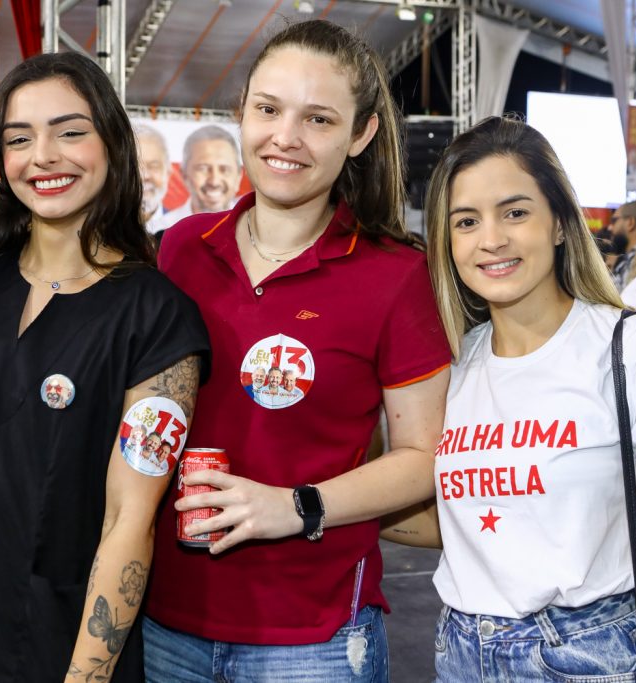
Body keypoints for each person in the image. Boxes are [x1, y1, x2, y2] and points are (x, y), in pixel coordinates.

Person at [0, 52, 209, 682]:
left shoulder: (157, 318)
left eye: (70, 131)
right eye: (19, 138)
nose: (44, 155)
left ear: (112, 141)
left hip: (56, 643)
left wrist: (86, 675)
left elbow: (128, 522)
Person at [146, 20, 451, 682]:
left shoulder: (396, 273)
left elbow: (424, 456)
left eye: (318, 118)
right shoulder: (179, 249)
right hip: (165, 619)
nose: (286, 137)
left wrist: (296, 505)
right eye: (268, 109)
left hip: (313, 638)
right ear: (242, 111)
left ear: (361, 133)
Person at [386, 116, 636, 682]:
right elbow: (473, 519)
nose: (491, 239)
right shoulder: (454, 365)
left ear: (561, 223)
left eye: (515, 212)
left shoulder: (631, 349)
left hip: (587, 655)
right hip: (460, 651)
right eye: (466, 221)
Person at [158, 125, 243, 228]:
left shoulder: (259, 231)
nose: (214, 181)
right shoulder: (160, 231)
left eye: (224, 169)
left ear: (239, 176)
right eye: (203, 168)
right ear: (184, 175)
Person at [134, 124, 172, 235]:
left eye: (153, 166)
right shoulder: (100, 226)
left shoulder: (179, 228)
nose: (144, 175)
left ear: (168, 172)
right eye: (135, 166)